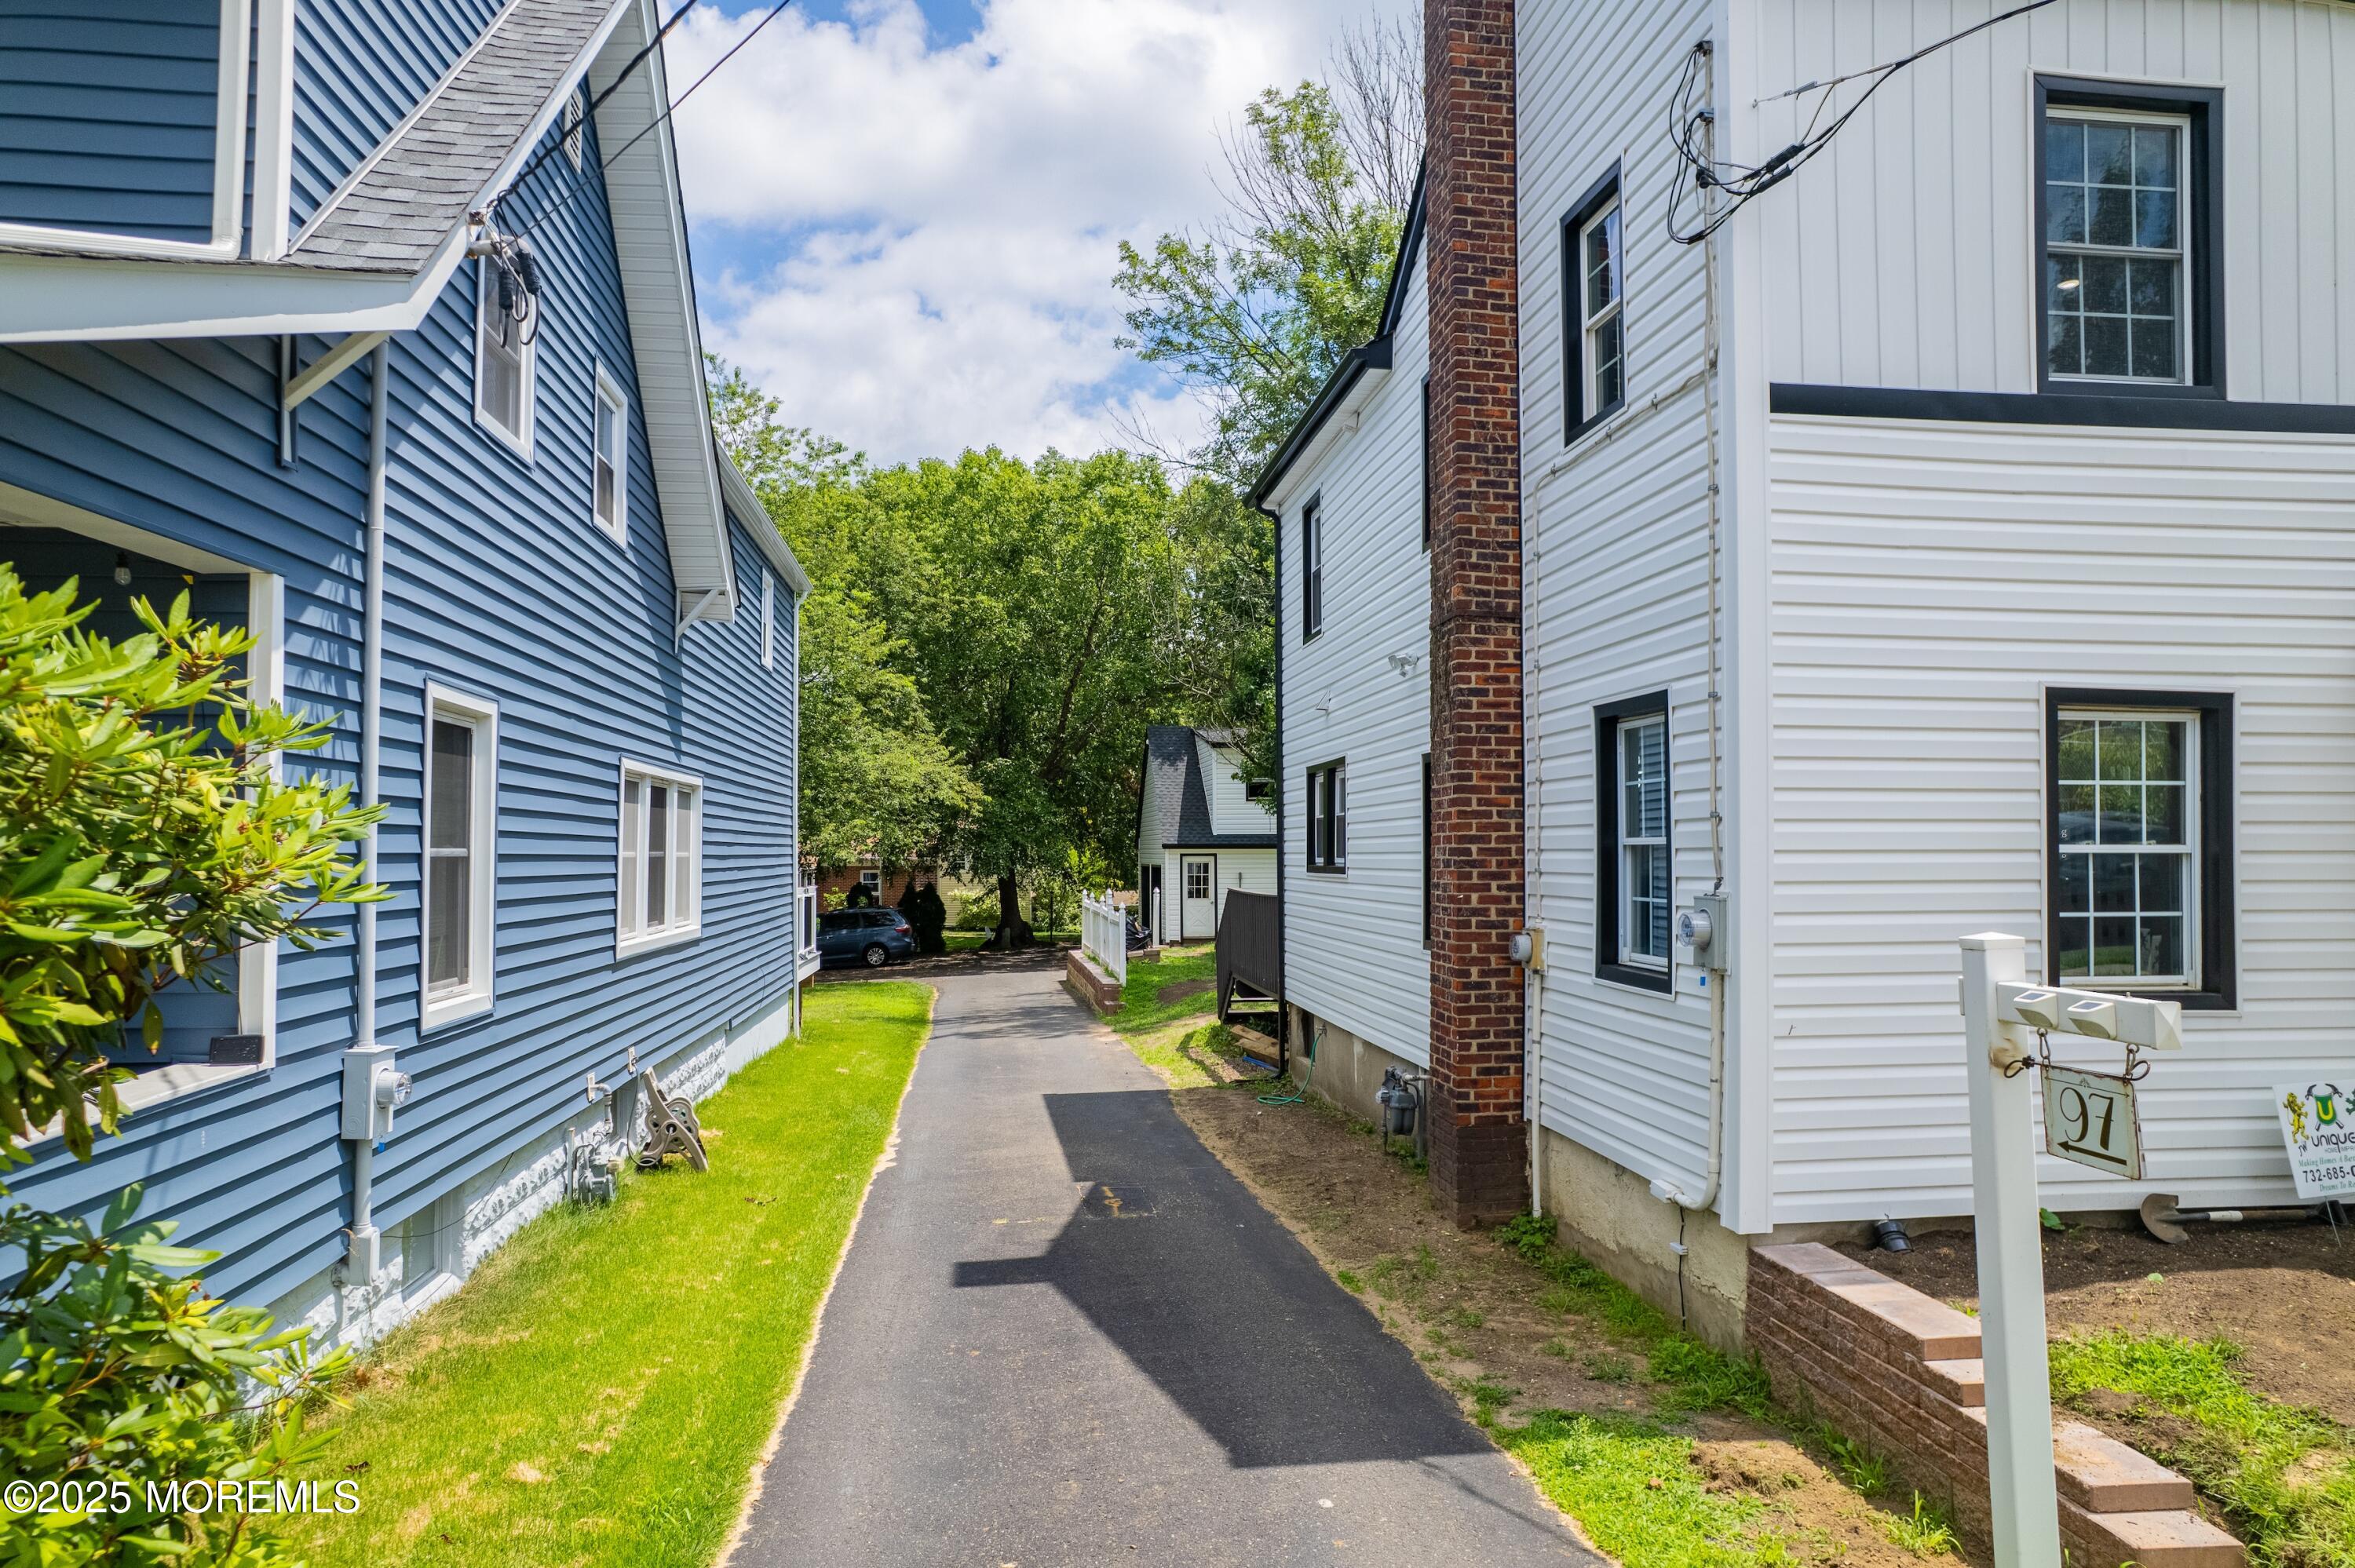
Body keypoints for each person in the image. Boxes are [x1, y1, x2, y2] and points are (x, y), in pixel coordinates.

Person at [909, 881, 948, 954]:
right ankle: (929, 949)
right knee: (925, 938)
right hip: (927, 926)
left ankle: (930, 949)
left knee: (927, 938)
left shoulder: (926, 903)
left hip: (928, 925)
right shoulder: (932, 901)